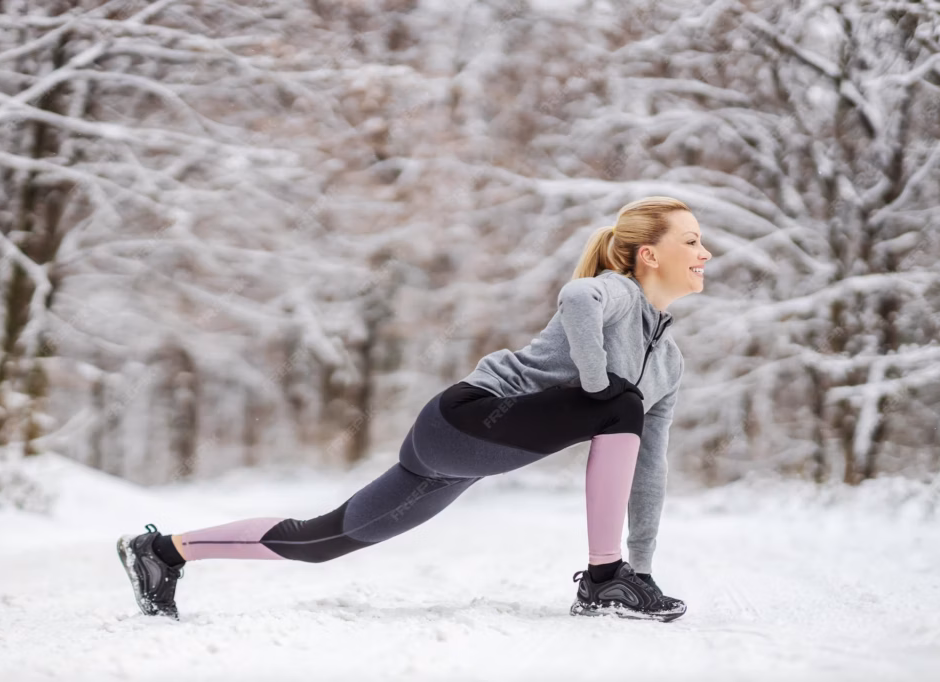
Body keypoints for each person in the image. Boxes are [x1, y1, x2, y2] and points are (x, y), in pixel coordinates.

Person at [117, 195, 712, 622]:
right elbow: (576, 294)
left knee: (322, 540)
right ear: (646, 256)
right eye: (691, 240)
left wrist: (644, 564)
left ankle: (162, 551)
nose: (705, 252)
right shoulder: (614, 291)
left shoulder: (669, 363)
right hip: (469, 417)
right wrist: (596, 379)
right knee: (618, 398)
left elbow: (647, 466)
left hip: (463, 455)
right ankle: (602, 581)